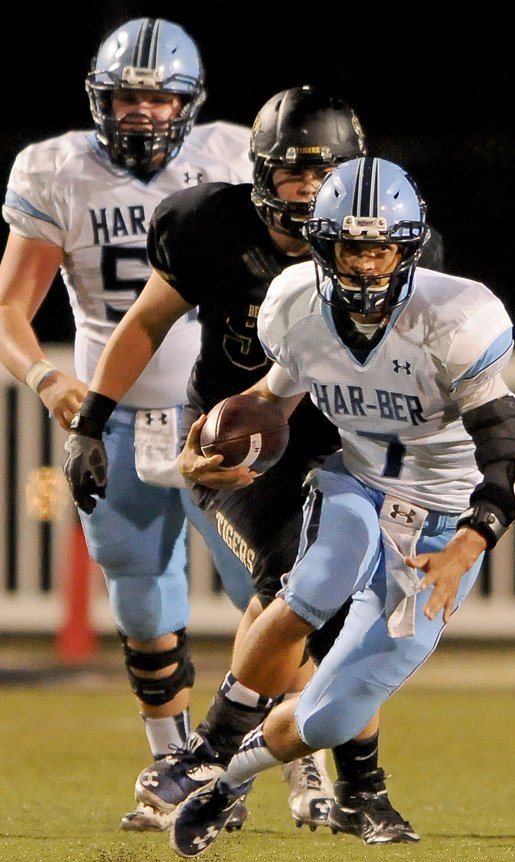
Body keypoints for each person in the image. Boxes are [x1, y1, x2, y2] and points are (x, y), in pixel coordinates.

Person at [61, 90, 444, 842]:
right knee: (293, 584)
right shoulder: (206, 224)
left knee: (344, 614)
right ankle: (236, 766)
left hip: (344, 445)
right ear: (259, 171)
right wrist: (92, 422)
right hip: (238, 440)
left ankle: (308, 778)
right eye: (291, 172)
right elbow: (145, 321)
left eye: (322, 172)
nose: (304, 190)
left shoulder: (389, 251)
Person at [158, 154, 515, 857]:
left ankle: (227, 777)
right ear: (323, 245)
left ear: (408, 249)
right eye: (352, 246)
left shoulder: (454, 320)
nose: (366, 264)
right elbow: (272, 398)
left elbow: (510, 462)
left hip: (444, 523)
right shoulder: (297, 307)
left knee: (332, 716)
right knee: (322, 575)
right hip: (355, 484)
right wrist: (205, 441)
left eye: (382, 246)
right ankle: (205, 744)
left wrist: (464, 548)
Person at [0, 16, 253, 833]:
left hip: (223, 410)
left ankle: (296, 764)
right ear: (98, 98)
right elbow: (8, 307)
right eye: (126, 95)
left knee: (277, 592)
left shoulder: (236, 155)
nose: (142, 111)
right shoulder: (56, 169)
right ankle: (169, 766)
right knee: (142, 604)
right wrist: (44, 377)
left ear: (189, 101)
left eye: (157, 94)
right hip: (117, 418)